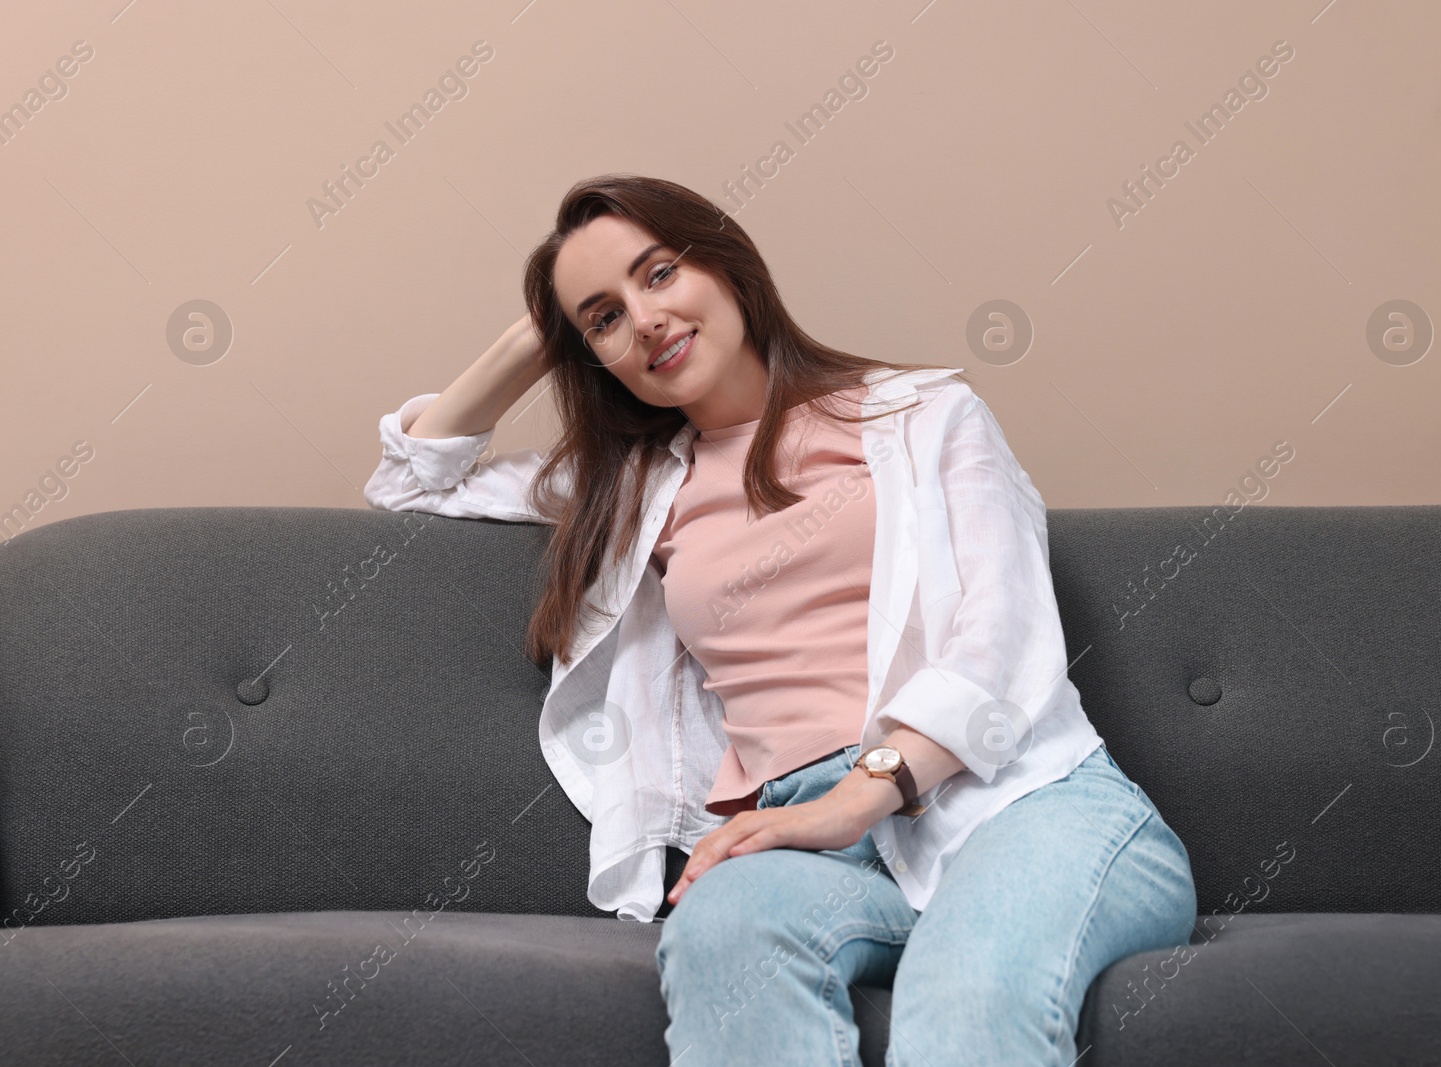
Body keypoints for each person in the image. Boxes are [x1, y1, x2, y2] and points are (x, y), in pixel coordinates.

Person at [363, 174, 1197, 1066]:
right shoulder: (635, 490)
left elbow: (1003, 639)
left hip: (1024, 805)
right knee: (722, 933)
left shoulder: (925, 415)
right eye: (603, 317)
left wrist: (858, 797)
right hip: (805, 840)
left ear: (725, 266)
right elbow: (413, 477)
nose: (643, 320)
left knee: (963, 1003)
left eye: (659, 274)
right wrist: (545, 331)